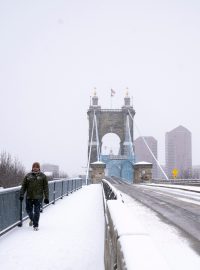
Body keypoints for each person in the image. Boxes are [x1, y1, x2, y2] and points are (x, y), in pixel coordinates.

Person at [19, 162, 49, 231]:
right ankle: (32, 219)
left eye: (37, 167)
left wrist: (46, 197)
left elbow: (46, 188)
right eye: (34, 167)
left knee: (37, 211)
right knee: (28, 210)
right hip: (29, 197)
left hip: (38, 198)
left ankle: (35, 225)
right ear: (32, 168)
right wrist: (21, 195)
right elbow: (24, 186)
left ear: (39, 168)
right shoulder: (28, 176)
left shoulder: (43, 176)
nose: (35, 168)